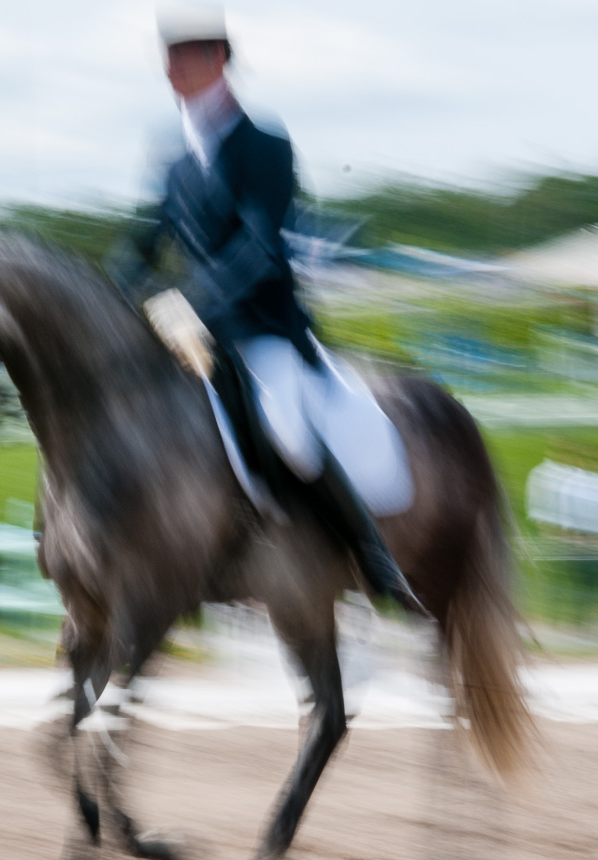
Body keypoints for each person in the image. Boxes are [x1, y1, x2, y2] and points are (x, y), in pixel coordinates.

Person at [109, 3, 427, 617]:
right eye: (167, 57)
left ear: (217, 60)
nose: (170, 68)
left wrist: (192, 304)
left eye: (182, 56)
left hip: (262, 332)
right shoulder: (173, 157)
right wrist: (113, 294)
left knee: (290, 436)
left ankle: (368, 556)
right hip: (189, 339)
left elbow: (260, 248)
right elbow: (144, 242)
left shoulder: (265, 145)